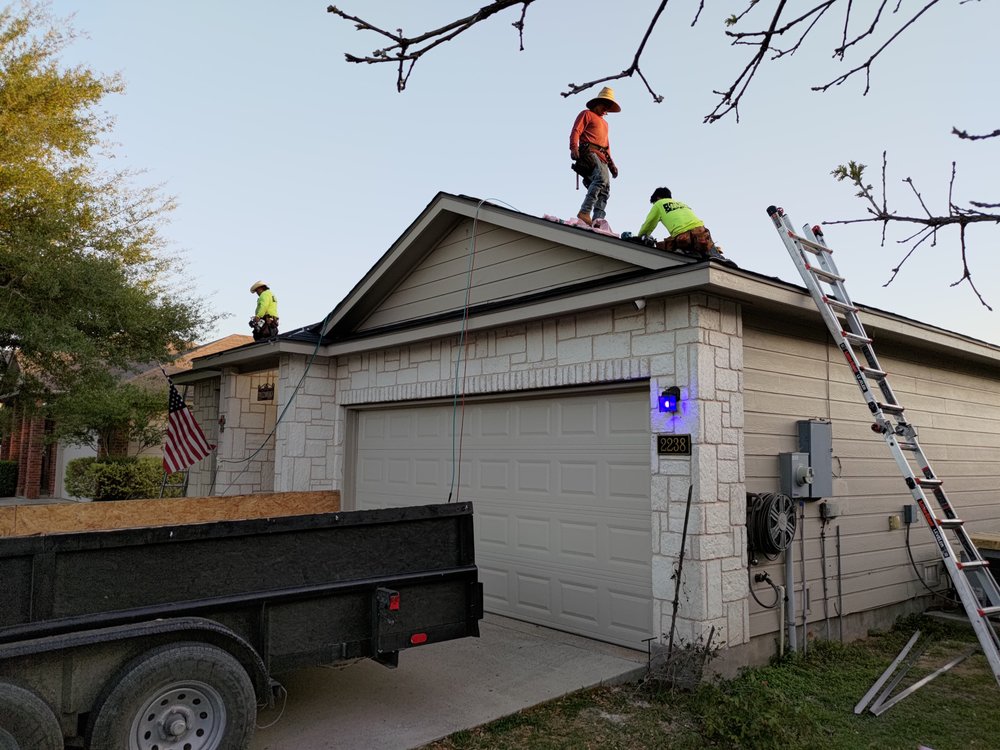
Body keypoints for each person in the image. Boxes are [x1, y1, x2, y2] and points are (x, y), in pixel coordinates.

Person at [569, 86, 621, 227]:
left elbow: (606, 146)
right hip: (589, 152)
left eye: (608, 108)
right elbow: (576, 130)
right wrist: (574, 147)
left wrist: (612, 165)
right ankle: (584, 211)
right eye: (604, 106)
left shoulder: (605, 123)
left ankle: (598, 220)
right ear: (598, 103)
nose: (605, 110)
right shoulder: (586, 114)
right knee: (600, 179)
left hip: (603, 158)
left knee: (605, 190)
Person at [633, 187, 726, 260]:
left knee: (663, 246)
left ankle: (687, 252)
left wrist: (640, 237)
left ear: (657, 198)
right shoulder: (682, 203)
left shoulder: (659, 204)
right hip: (702, 233)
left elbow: (649, 224)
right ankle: (715, 255)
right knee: (709, 251)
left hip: (684, 238)